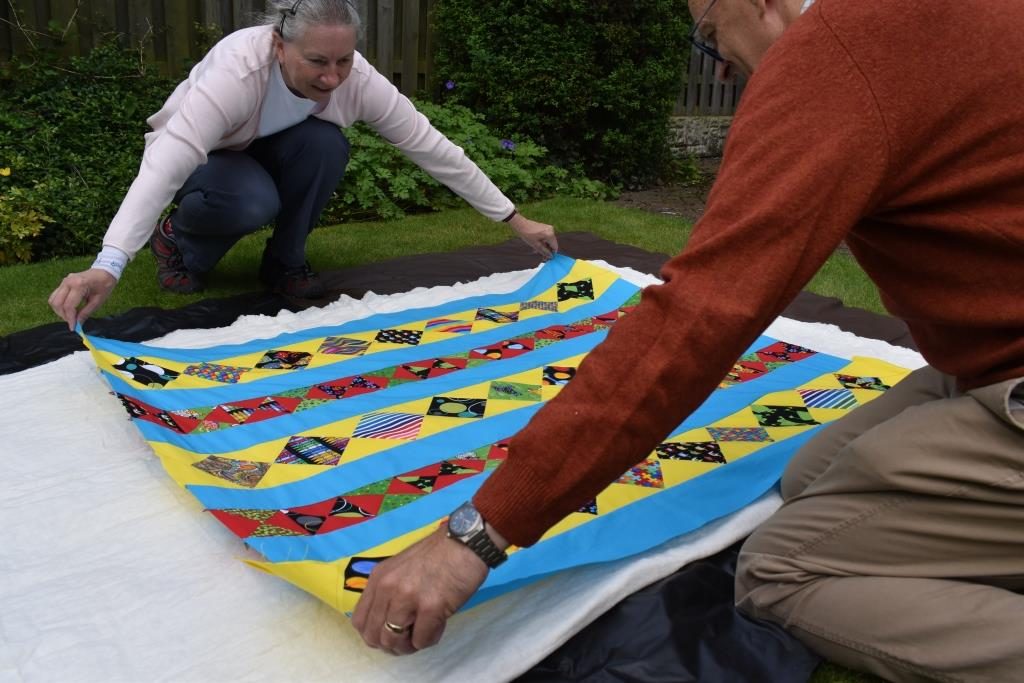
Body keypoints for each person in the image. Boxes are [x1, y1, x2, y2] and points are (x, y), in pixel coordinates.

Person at [350, 0, 1024, 679]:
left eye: (709, 36)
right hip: (980, 354)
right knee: (808, 476)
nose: (720, 67)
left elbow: (700, 316)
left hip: (1005, 374)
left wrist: (478, 532)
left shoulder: (840, 54)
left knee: (777, 569)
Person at [48, 0, 558, 329]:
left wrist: (513, 218)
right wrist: (108, 264)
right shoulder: (237, 70)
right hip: (213, 161)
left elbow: (431, 146)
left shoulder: (357, 79)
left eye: (344, 60)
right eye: (318, 61)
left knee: (326, 145)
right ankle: (175, 241)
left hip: (272, 149)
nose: (334, 77)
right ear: (278, 44)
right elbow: (167, 163)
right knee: (251, 199)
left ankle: (284, 263)